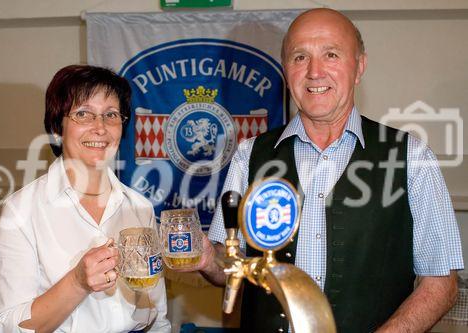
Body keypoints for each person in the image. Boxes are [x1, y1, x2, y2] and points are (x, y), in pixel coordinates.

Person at [184, 8, 464, 333]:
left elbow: (441, 284)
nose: (315, 72)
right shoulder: (250, 155)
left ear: (359, 66)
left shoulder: (412, 157)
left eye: (331, 54)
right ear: (286, 71)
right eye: (300, 57)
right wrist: (207, 260)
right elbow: (231, 268)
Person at [0, 65, 171, 332]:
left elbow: (157, 317)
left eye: (111, 114)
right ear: (56, 128)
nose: (100, 128)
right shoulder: (22, 210)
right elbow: (8, 327)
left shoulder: (140, 208)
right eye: (83, 114)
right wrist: (77, 282)